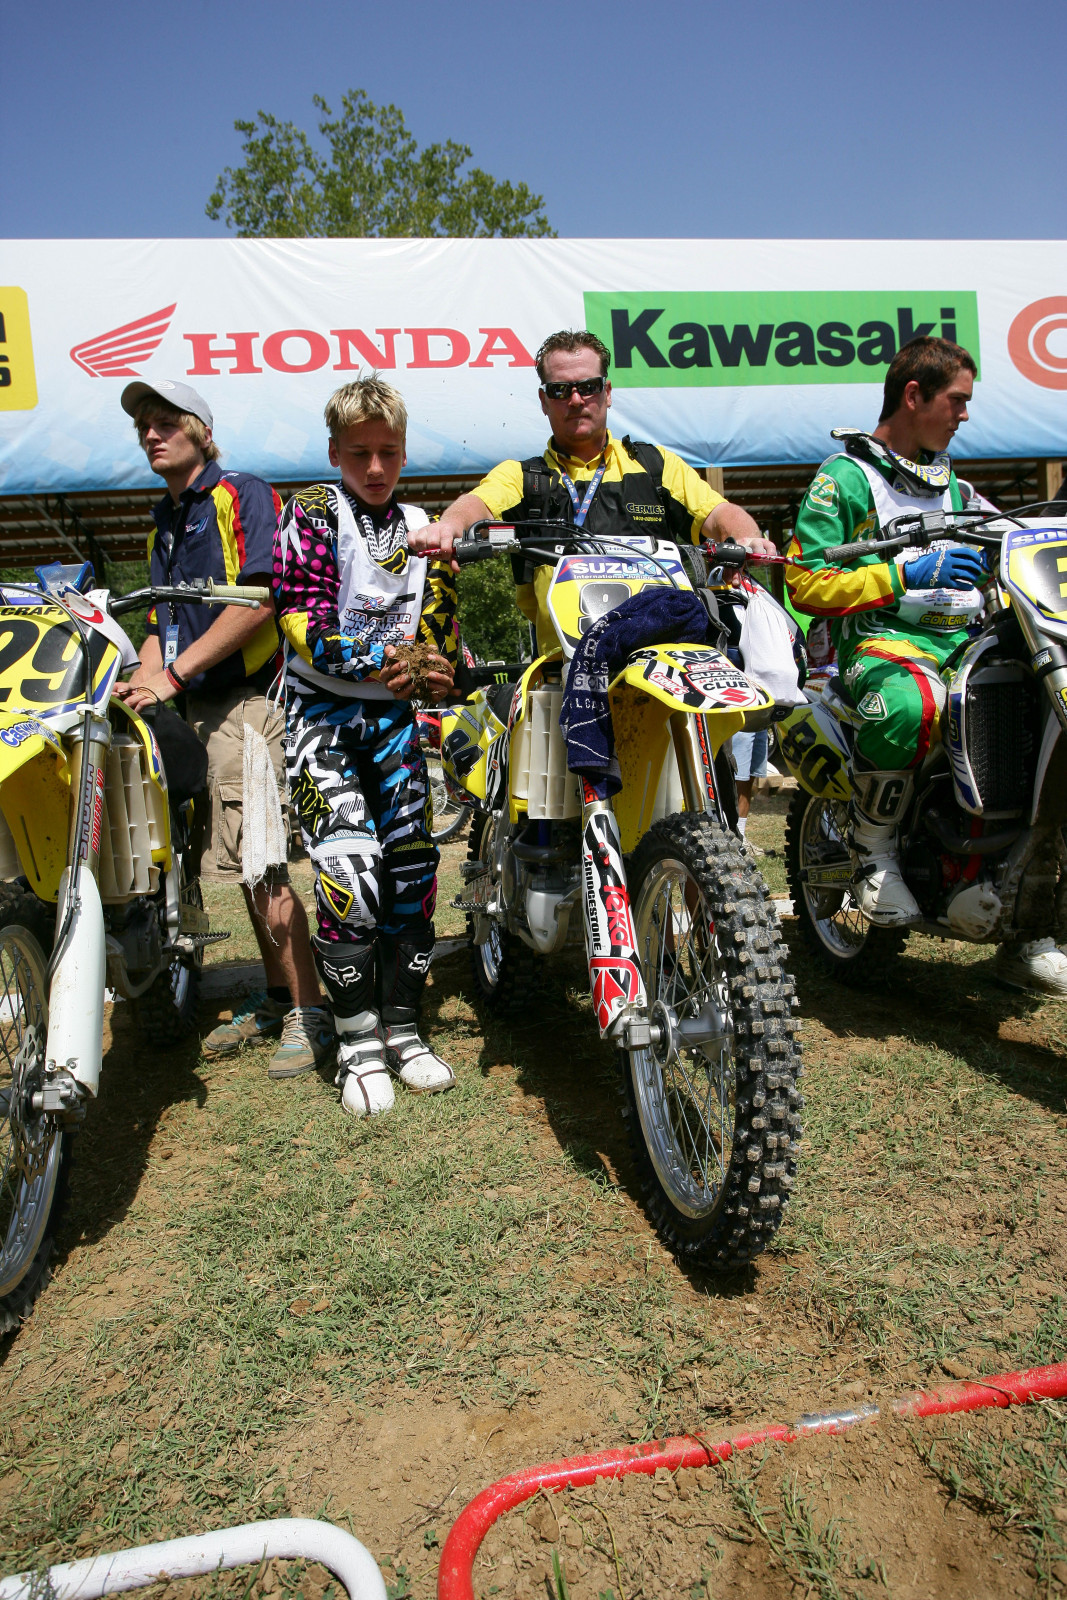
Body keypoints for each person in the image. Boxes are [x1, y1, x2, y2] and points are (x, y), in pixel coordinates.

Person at [786, 337, 1067, 994]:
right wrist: (897, 571)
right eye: (956, 400)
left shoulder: (956, 486)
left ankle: (1030, 921)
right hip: (882, 645)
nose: (963, 414)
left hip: (968, 641)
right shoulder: (845, 477)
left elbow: (1015, 538)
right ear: (913, 396)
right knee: (915, 704)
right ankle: (873, 850)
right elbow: (803, 581)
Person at [116, 378, 332, 1077]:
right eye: (143, 425)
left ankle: (309, 1011)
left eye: (166, 421)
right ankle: (276, 999)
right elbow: (160, 621)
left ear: (201, 431)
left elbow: (262, 600)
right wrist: (142, 681)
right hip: (197, 708)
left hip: (248, 702)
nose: (152, 433)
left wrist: (170, 678)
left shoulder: (240, 493)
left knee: (265, 863)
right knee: (237, 865)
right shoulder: (163, 520)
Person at [273, 377, 457, 1119]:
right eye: (359, 453)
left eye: (387, 453)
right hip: (322, 714)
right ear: (334, 452)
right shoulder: (313, 510)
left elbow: (441, 629)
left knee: (412, 872)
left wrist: (443, 668)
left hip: (395, 723)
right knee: (350, 875)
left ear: (405, 453)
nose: (374, 467)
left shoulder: (426, 525)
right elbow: (296, 614)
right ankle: (354, 1043)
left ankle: (404, 1031)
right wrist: (368, 657)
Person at [414, 329, 777, 650]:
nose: (575, 400)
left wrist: (747, 537)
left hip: (664, 664)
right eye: (560, 390)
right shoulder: (523, 477)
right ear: (544, 401)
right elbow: (475, 504)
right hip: (564, 672)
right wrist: (450, 526)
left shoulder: (655, 466)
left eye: (587, 387)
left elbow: (717, 513)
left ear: (607, 392)